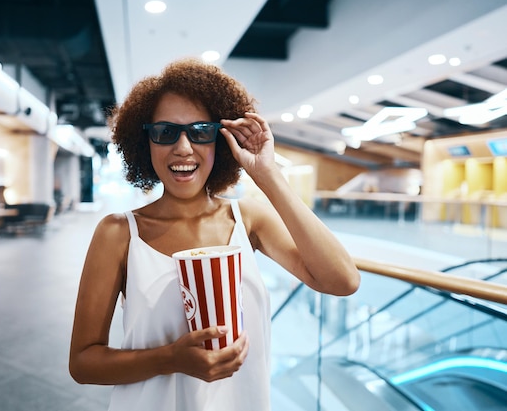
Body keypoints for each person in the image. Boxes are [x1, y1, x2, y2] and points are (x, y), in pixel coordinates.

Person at [69, 58, 360, 410]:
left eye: (200, 132)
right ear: (144, 141)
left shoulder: (247, 219)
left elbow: (342, 280)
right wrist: (171, 358)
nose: (183, 148)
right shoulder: (118, 233)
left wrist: (267, 175)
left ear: (220, 142)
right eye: (165, 132)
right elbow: (83, 363)